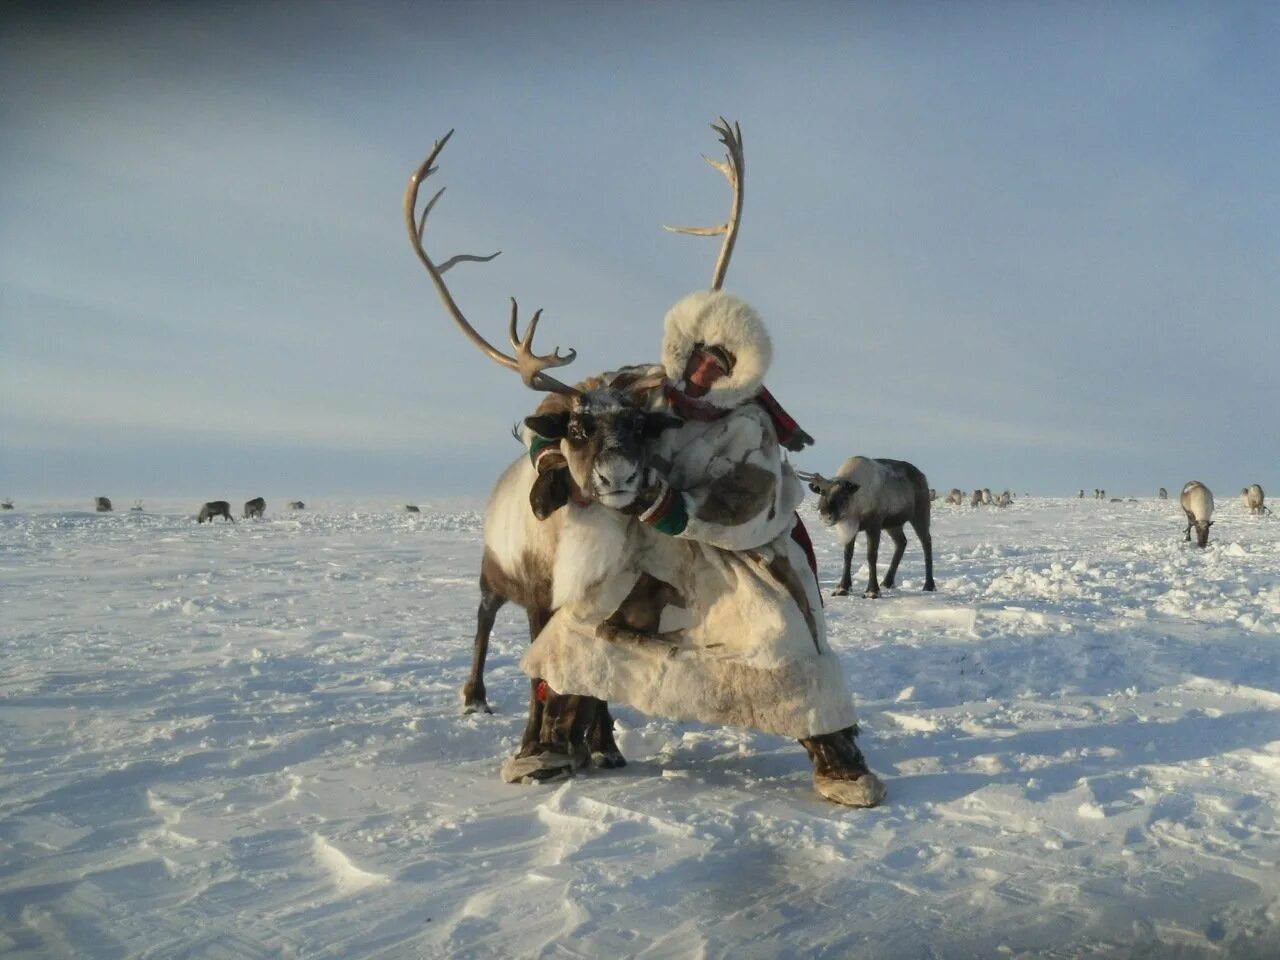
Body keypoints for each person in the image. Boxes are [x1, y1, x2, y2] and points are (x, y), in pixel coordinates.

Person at [514, 290, 884, 807]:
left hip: (737, 554)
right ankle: (556, 739)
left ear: (739, 374)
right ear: (683, 350)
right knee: (583, 624)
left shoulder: (748, 425)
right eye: (702, 358)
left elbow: (746, 503)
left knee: (782, 638)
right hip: (654, 551)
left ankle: (836, 757)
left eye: (722, 366)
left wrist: (669, 506)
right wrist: (555, 460)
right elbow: (564, 404)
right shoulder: (641, 387)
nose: (705, 374)